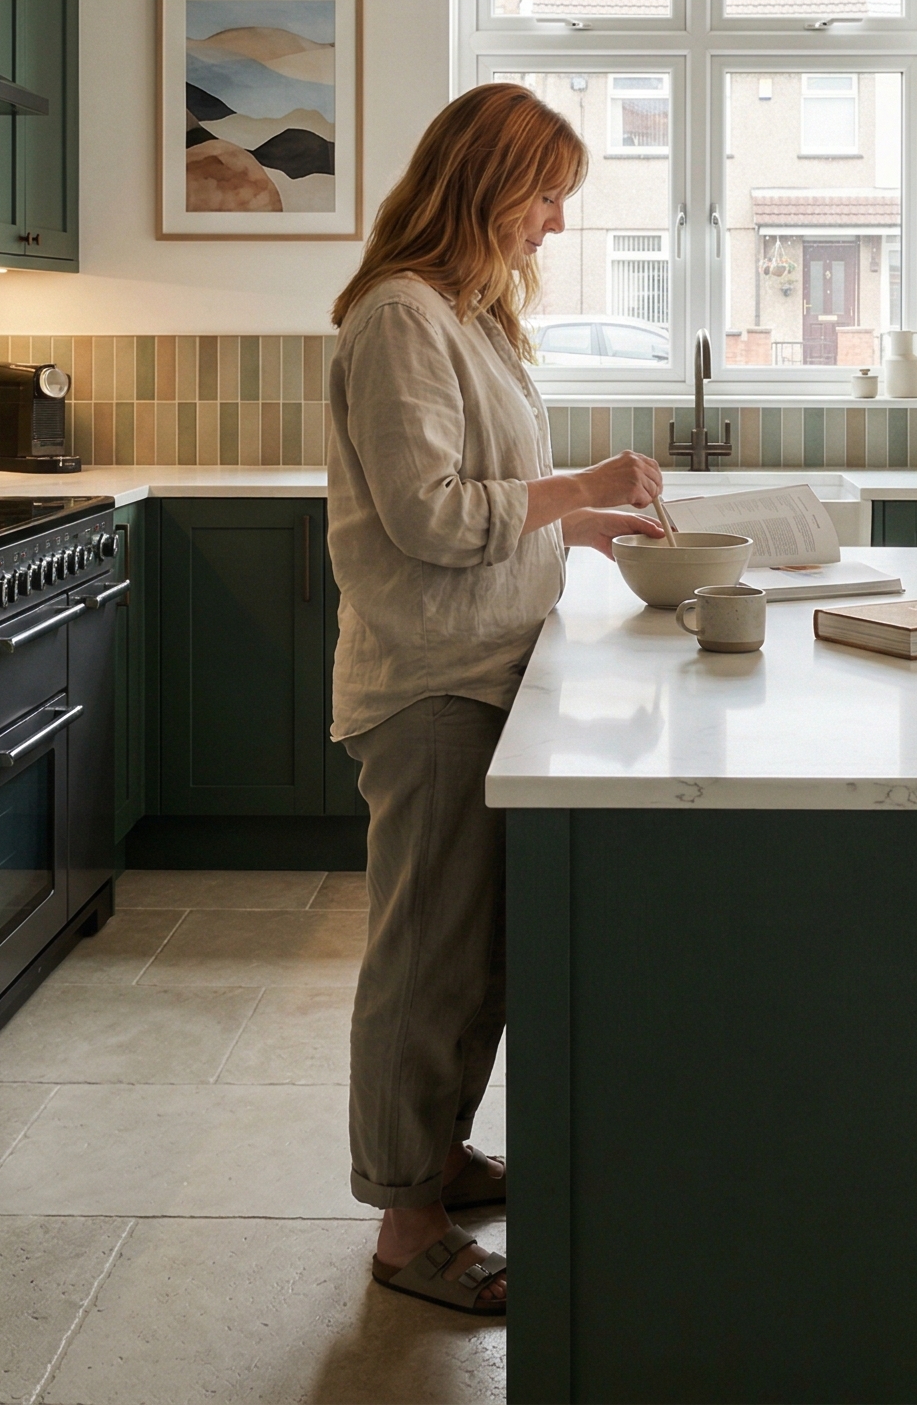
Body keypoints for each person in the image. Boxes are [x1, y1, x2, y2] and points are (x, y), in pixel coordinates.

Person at [326, 81, 664, 1316]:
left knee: (475, 957)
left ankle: (440, 1153)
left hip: (487, 669)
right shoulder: (399, 318)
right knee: (425, 960)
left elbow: (492, 502)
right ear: (480, 184)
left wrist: (584, 529)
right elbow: (429, 517)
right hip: (428, 686)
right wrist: (572, 492)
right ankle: (404, 1220)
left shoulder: (466, 315)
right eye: (543, 194)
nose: (555, 225)